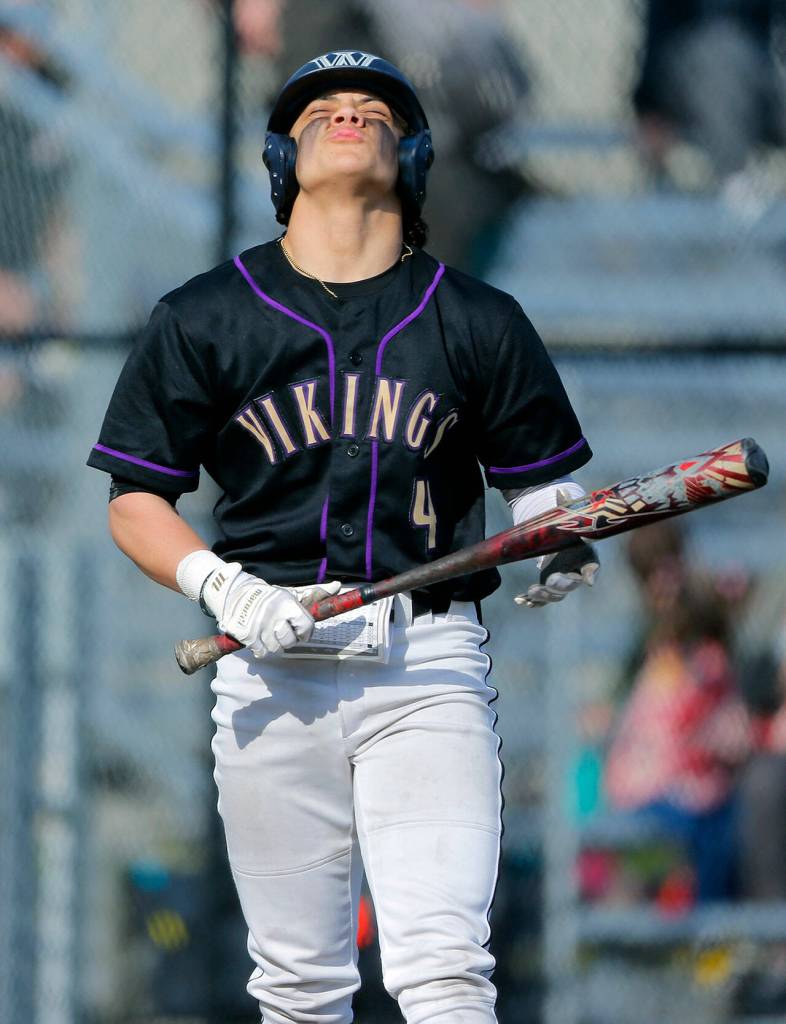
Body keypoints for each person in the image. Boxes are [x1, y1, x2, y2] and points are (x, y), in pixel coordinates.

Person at [87, 51, 597, 1023]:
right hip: (268, 662)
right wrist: (224, 587)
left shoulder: (479, 319)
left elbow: (543, 490)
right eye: (323, 108)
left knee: (446, 967)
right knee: (298, 986)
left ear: (412, 155)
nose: (349, 112)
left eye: (374, 107)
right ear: (285, 157)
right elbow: (134, 498)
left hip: (426, 663)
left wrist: (557, 529)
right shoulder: (206, 315)